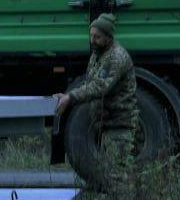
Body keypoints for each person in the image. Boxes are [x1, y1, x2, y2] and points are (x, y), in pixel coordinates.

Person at [52, 13, 137, 189]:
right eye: (91, 36)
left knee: (117, 178)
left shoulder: (116, 57)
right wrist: (68, 95)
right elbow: (90, 83)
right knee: (110, 175)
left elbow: (100, 86)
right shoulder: (98, 55)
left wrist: (72, 97)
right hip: (105, 124)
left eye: (97, 37)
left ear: (108, 36)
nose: (93, 40)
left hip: (118, 125)